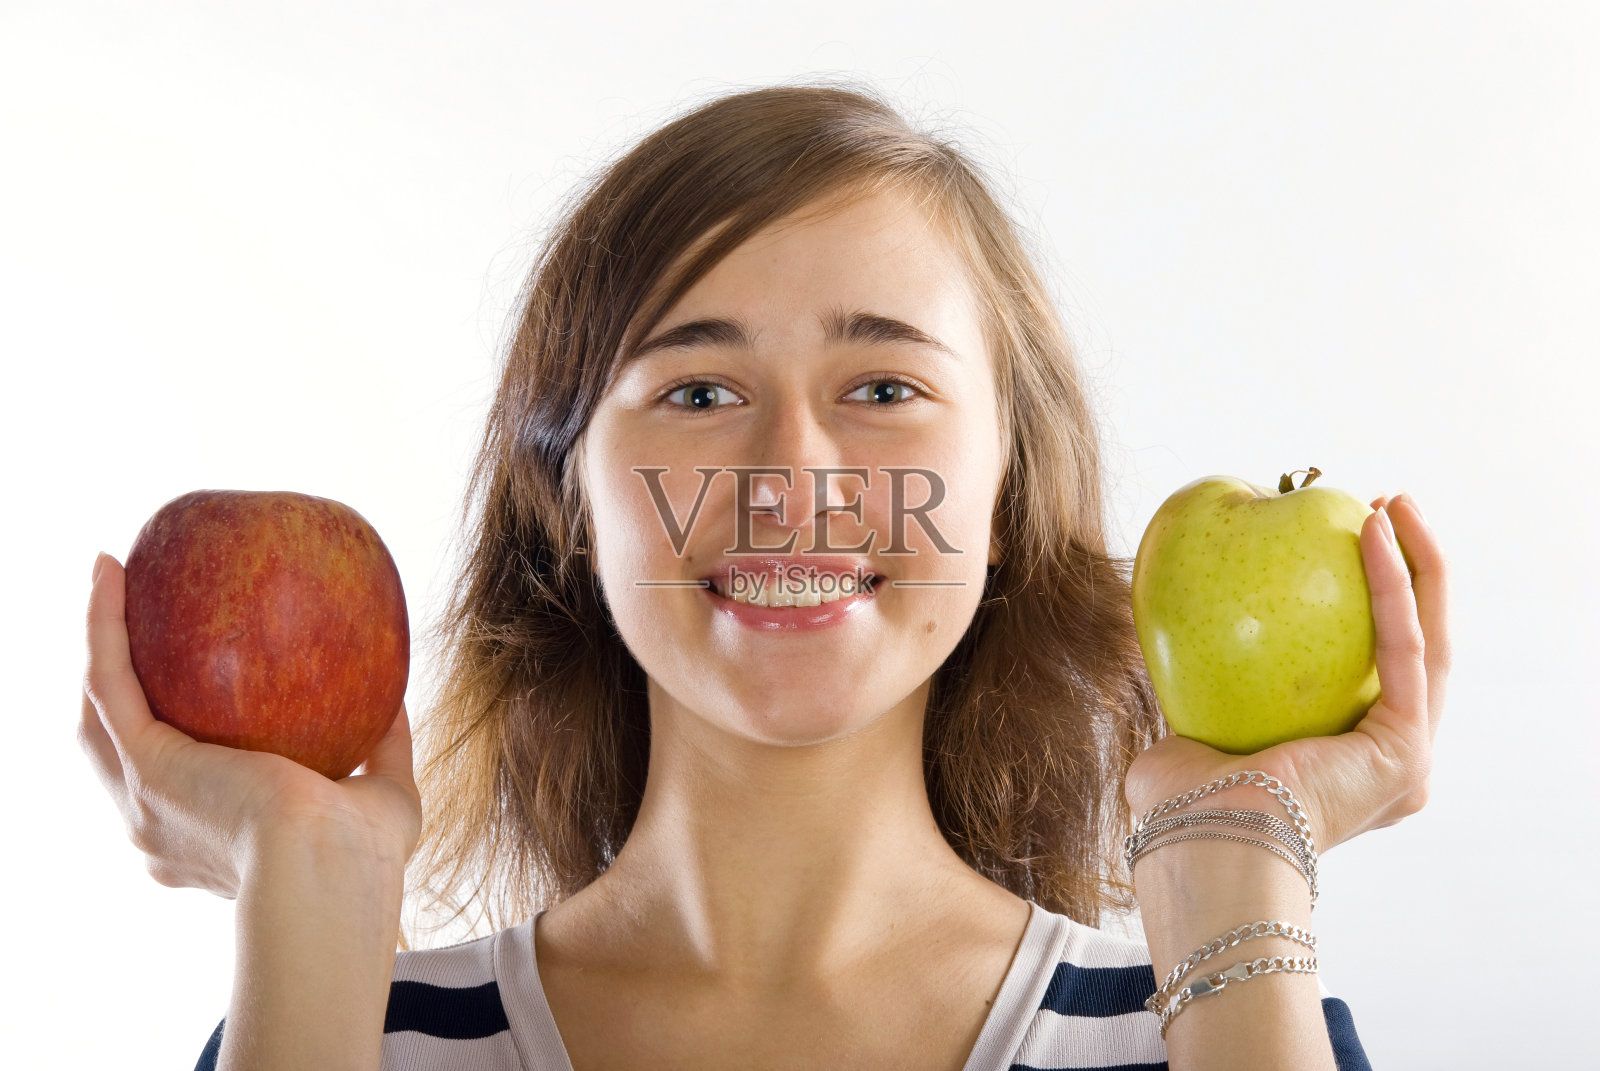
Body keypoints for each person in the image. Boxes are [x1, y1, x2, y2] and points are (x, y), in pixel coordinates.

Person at [79, 82, 1449, 1071]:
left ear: (1006, 485)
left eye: (884, 384)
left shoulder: (1229, 1022)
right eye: (698, 391)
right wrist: (304, 892)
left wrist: (1230, 863)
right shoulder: (327, 1027)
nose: (792, 472)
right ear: (570, 498)